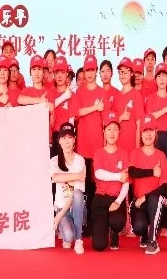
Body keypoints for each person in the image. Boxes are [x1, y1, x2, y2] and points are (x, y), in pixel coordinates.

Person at [69, 54, 109, 232]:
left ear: (96, 71)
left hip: (98, 148)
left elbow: (106, 121)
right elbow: (75, 112)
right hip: (83, 147)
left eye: (93, 70)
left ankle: (95, 223)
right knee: (83, 186)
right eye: (87, 70)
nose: (90, 73)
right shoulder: (79, 92)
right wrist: (95, 107)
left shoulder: (102, 93)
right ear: (84, 72)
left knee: (96, 186)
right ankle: (83, 222)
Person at [128, 115, 167, 255]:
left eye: (151, 130)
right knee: (139, 226)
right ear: (141, 134)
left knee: (155, 198)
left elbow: (164, 187)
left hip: (155, 202)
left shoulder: (161, 155)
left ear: (156, 132)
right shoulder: (135, 153)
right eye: (145, 131)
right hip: (139, 202)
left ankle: (153, 241)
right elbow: (132, 172)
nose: (148, 134)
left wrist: (145, 197)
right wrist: (152, 172)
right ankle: (145, 234)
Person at [91, 111, 129, 251]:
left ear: (119, 132)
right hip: (100, 198)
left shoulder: (123, 154)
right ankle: (103, 226)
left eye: (115, 129)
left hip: (115, 198)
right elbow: (98, 173)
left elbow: (126, 182)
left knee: (117, 222)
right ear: (104, 131)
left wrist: (118, 201)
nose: (112, 132)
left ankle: (114, 231)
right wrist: (118, 176)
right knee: (99, 246)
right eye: (109, 129)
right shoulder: (98, 152)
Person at [50, 123, 86, 254]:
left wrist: (58, 216)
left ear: (74, 139)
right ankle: (70, 233)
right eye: (64, 138)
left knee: (77, 194)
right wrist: (77, 175)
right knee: (68, 236)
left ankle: (79, 239)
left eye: (70, 137)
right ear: (59, 141)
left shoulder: (80, 160)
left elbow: (77, 192)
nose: (67, 141)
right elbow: (55, 178)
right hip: (62, 208)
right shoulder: (54, 161)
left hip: (78, 208)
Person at [145, 63, 167, 162]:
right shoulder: (151, 98)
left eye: (164, 76)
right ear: (155, 80)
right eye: (159, 76)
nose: (161, 79)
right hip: (155, 137)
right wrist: (165, 110)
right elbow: (149, 117)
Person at [111, 58, 144, 154]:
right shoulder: (116, 96)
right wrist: (121, 117)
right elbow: (112, 123)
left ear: (132, 73)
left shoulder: (136, 95)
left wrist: (137, 146)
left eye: (125, 72)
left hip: (132, 145)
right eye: (120, 72)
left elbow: (139, 124)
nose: (123, 75)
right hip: (117, 145)